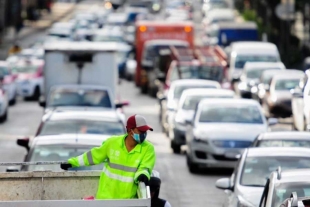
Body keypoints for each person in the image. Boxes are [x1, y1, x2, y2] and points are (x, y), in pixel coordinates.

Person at [60, 114, 156, 199]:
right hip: (105, 200)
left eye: (145, 131)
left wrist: (143, 175)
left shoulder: (148, 148)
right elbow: (93, 156)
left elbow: (145, 167)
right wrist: (72, 162)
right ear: (131, 131)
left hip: (127, 201)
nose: (144, 134)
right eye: (141, 131)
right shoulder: (112, 143)